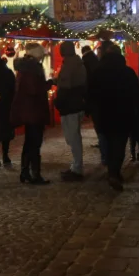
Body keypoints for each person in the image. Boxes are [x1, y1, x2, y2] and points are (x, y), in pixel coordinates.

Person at [88, 44, 139, 191]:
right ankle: (114, 172)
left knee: (107, 143)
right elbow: (137, 95)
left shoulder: (98, 73)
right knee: (119, 145)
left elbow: (91, 94)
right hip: (123, 115)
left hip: (104, 115)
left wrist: (93, 112)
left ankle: (112, 171)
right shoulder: (127, 72)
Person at [11, 43, 52, 185]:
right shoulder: (34, 68)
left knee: (29, 142)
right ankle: (35, 174)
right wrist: (49, 84)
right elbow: (35, 89)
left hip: (26, 110)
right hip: (35, 110)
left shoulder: (23, 67)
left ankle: (25, 171)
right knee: (35, 143)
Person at [55, 41, 87, 181]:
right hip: (73, 104)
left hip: (71, 105)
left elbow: (66, 84)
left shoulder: (71, 64)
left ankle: (77, 168)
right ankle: (76, 166)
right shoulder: (75, 63)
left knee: (73, 138)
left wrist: (57, 85)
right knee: (73, 137)